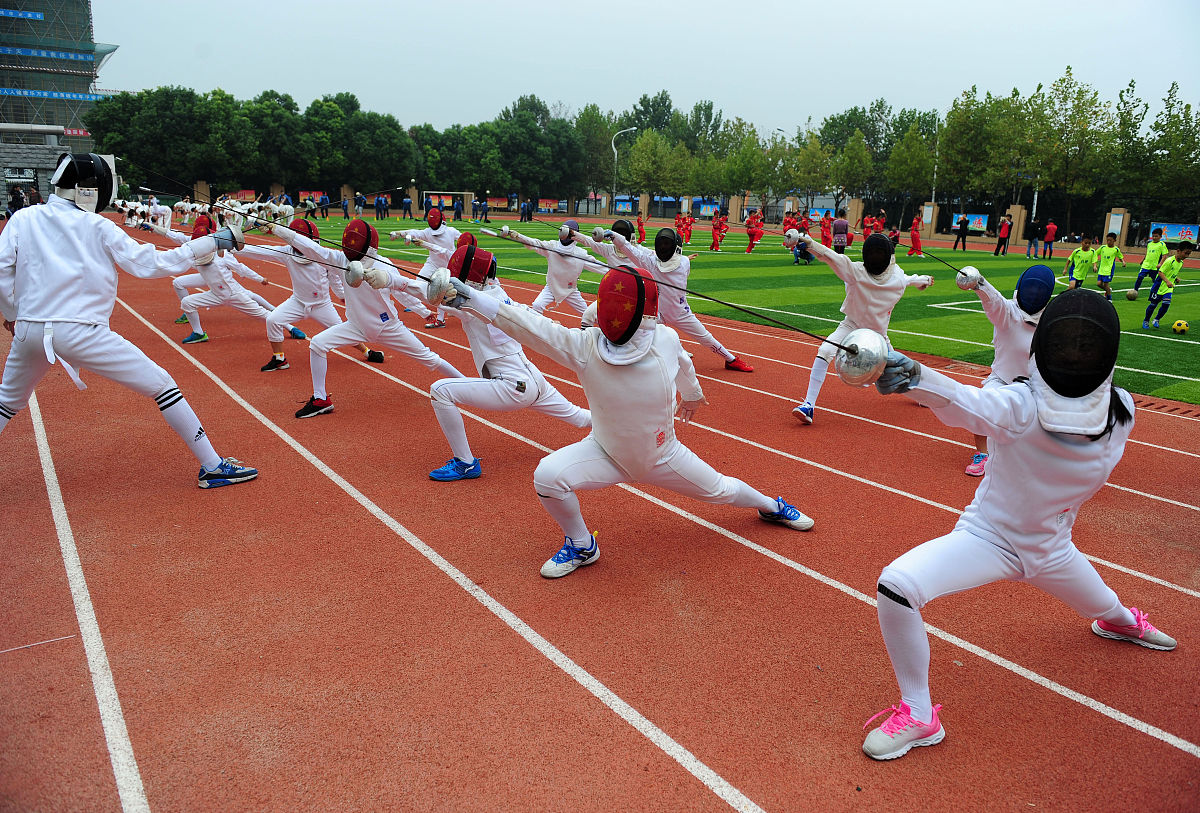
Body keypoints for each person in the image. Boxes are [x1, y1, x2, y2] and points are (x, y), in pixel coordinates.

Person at [860, 288, 1176, 761]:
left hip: (1053, 549)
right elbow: (967, 401)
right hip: (989, 539)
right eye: (1066, 344)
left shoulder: (1120, 410)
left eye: (1083, 346)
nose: (1073, 355)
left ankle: (1123, 623)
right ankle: (920, 714)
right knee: (897, 586)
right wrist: (916, 378)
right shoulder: (1026, 405)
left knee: (1110, 609)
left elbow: (995, 408)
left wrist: (921, 381)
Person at [428, 264, 815, 578]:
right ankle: (582, 545)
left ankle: (771, 505)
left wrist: (693, 395)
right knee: (548, 475)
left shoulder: (661, 339)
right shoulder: (587, 347)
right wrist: (468, 296)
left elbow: (685, 366)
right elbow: (524, 323)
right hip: (605, 451)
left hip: (664, 454)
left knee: (724, 491)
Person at [0, 152, 257, 488]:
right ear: (88, 189)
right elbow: (150, 264)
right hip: (81, 332)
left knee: (6, 402)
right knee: (163, 385)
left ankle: (213, 464)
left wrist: (11, 314)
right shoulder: (98, 225)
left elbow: (3, 269)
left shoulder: (23, 218)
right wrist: (214, 241)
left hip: (31, 330)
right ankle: (212, 466)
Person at [381, 244, 591, 480]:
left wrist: (390, 280)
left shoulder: (472, 304)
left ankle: (466, 464)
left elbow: (429, 293)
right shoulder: (500, 296)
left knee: (440, 391)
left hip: (511, 386)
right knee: (582, 418)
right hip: (534, 379)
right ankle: (629, 431)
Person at [271, 218, 463, 418]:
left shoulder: (385, 266)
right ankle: (321, 399)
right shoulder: (341, 261)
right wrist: (279, 230)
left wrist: (423, 311)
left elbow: (406, 289)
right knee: (318, 344)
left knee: (429, 358)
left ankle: (465, 385)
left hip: (388, 327)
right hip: (356, 326)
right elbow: (312, 248)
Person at [791, 232, 933, 425]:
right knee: (825, 350)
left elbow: (830, 256)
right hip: (851, 325)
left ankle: (920, 395)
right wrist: (923, 280)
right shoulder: (888, 276)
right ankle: (808, 405)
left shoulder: (858, 272)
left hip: (878, 335)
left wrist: (808, 243)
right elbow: (910, 279)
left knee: (896, 368)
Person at [574, 226, 755, 372]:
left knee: (705, 337)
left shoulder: (655, 262)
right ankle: (619, 355)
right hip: (658, 312)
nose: (663, 249)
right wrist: (614, 236)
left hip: (679, 313)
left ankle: (730, 360)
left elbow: (629, 249)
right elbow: (630, 249)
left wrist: (614, 235)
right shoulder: (681, 261)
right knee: (635, 330)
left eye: (665, 246)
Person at [238, 216, 381, 371]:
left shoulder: (322, 255)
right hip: (298, 302)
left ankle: (367, 352)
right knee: (273, 320)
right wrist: (231, 246)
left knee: (342, 329)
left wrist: (342, 295)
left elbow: (334, 279)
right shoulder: (287, 253)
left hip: (322, 305)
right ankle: (279, 359)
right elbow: (260, 251)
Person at [954, 264, 1055, 476]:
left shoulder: (1052, 319)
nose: (1034, 293)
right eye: (1031, 287)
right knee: (981, 407)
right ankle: (984, 455)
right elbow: (993, 300)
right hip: (1002, 379)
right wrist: (979, 282)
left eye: (1040, 289)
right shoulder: (1007, 312)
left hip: (1035, 387)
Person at [153, 216, 305, 346]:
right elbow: (174, 252)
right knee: (187, 302)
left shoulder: (223, 255)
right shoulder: (194, 255)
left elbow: (241, 268)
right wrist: (154, 234)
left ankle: (290, 328)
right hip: (216, 294)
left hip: (234, 294)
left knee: (264, 315)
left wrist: (259, 279)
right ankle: (199, 334)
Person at [391, 207, 461, 328]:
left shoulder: (450, 231)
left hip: (448, 266)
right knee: (418, 284)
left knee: (444, 291)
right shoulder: (428, 232)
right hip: (432, 264)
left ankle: (441, 319)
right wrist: (398, 233)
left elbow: (463, 239)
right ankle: (417, 305)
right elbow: (414, 232)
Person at [508, 221, 590, 317]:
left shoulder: (581, 254)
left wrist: (611, 272)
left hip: (570, 289)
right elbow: (535, 243)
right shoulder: (552, 246)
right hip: (551, 287)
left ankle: (599, 330)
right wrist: (518, 236)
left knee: (588, 314)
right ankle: (539, 329)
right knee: (537, 305)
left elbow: (599, 266)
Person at [1143, 240, 1191, 329]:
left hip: (1168, 288)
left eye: (1188, 254)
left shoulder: (1181, 263)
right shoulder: (1169, 261)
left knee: (1166, 304)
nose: (1187, 256)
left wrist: (1175, 278)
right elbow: (1161, 272)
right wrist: (1167, 281)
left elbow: (1172, 272)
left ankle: (1156, 319)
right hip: (1159, 286)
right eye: (1185, 253)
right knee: (1153, 305)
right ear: (1178, 251)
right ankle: (1146, 320)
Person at [1132, 227, 1168, 292]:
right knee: (1140, 277)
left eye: (1156, 236)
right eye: (1153, 236)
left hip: (1154, 266)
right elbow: (1147, 253)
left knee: (1155, 280)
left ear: (1160, 236)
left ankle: (1157, 291)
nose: (1154, 238)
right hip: (1146, 265)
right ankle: (1135, 290)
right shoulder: (1149, 244)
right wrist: (1143, 261)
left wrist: (1160, 264)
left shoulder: (1162, 244)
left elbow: (1164, 255)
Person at [1094, 232, 1125, 301]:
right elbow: (1095, 254)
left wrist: (1123, 262)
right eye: (1107, 240)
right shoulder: (1103, 247)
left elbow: (1120, 256)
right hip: (1101, 269)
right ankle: (1108, 290)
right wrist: (1095, 265)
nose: (1108, 242)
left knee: (1105, 284)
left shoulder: (1116, 249)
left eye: (1110, 240)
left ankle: (1109, 298)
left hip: (1109, 269)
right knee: (1099, 284)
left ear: (1114, 240)